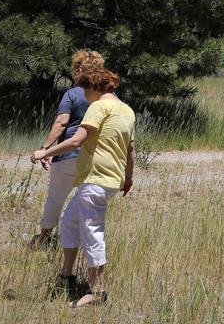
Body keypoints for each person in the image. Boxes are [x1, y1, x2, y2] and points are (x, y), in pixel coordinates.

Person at [31, 62, 135, 308]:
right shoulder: (126, 110)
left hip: (96, 178)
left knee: (91, 231)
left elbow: (76, 140)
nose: (84, 96)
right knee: (70, 221)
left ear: (93, 87)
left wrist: (44, 151)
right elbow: (130, 149)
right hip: (109, 179)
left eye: (85, 90)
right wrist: (128, 178)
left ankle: (97, 292)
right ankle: (66, 275)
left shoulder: (98, 106)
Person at [32, 49, 105, 249]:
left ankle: (45, 238)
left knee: (55, 198)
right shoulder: (107, 96)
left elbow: (62, 123)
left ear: (79, 70)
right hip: (94, 157)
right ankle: (81, 239)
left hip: (67, 154)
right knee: (86, 202)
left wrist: (45, 148)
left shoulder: (72, 94)